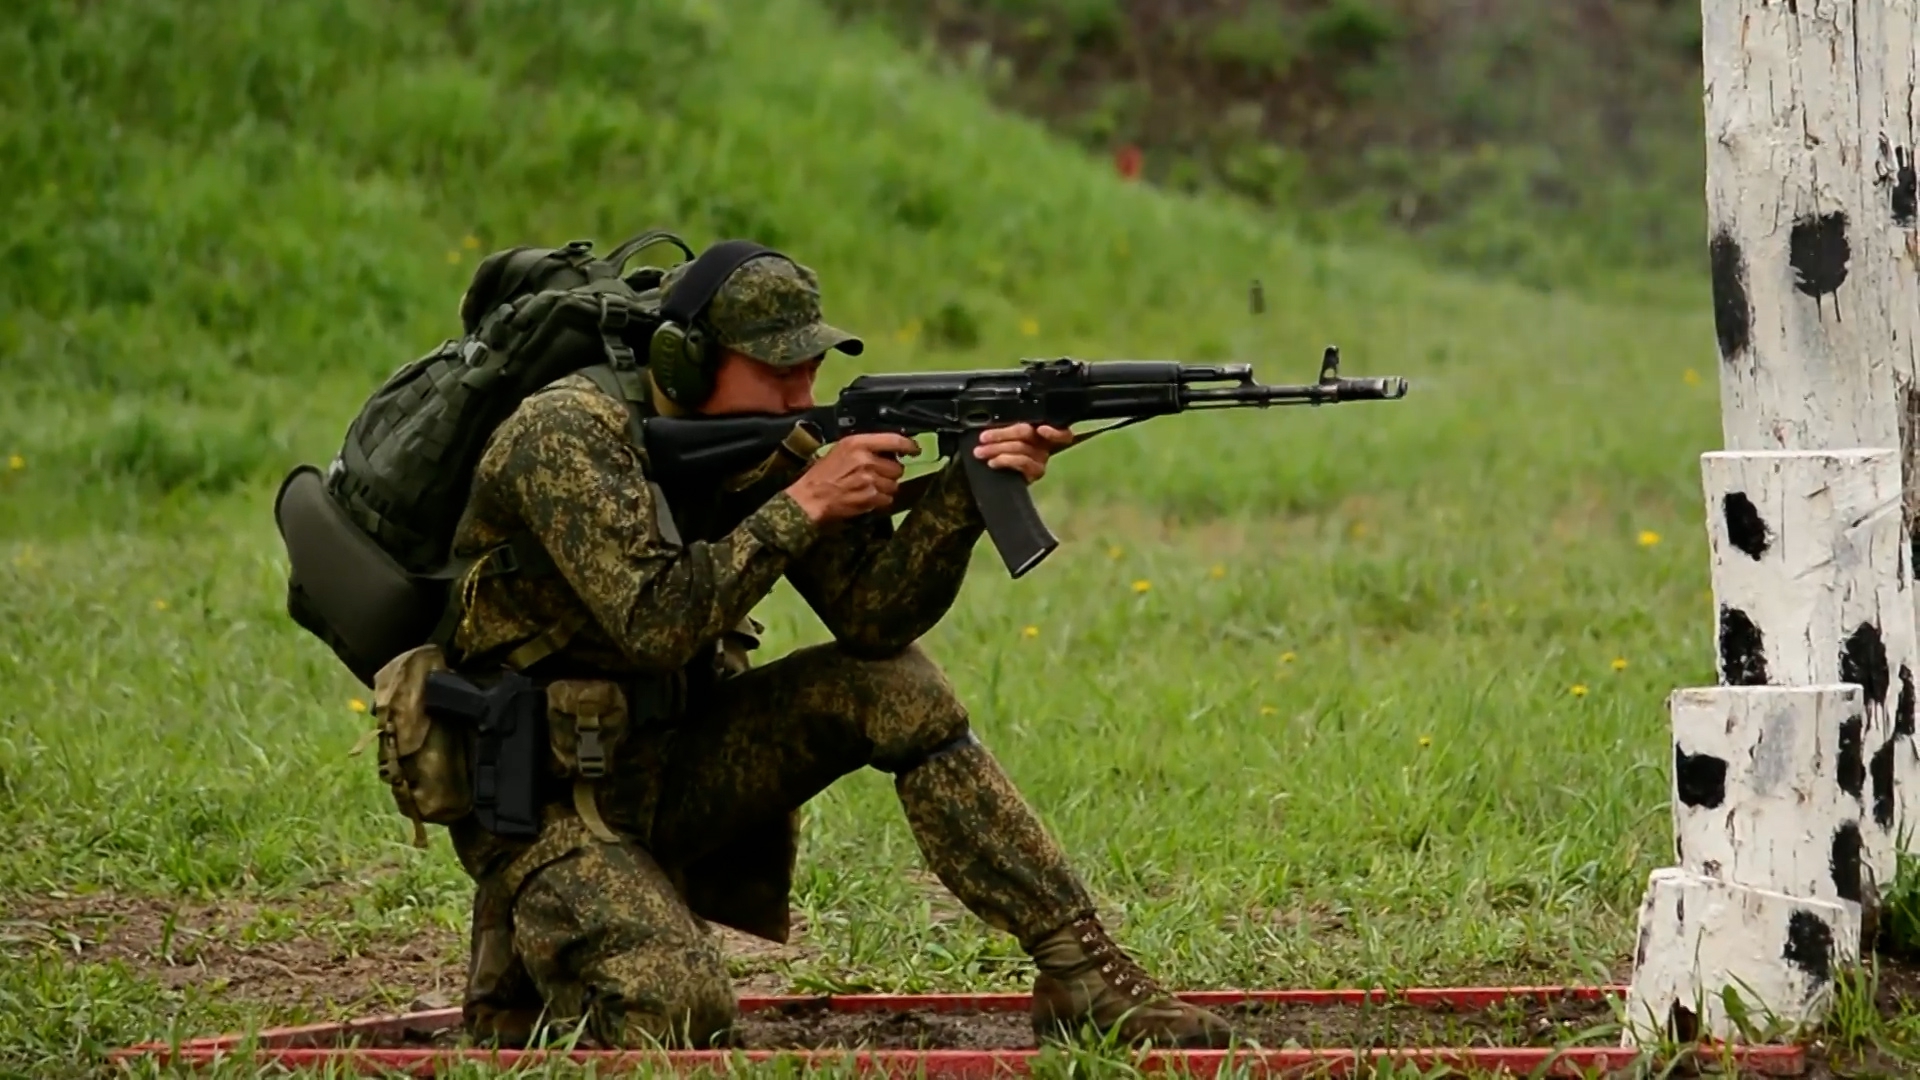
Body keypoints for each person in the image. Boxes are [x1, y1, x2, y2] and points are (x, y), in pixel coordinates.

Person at [437, 249, 1235, 1051]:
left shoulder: (744, 441)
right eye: (779, 376)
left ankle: (1082, 974)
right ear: (686, 358)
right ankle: (524, 950)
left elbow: (873, 619)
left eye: (810, 373)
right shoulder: (565, 435)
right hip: (544, 797)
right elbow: (655, 623)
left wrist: (966, 488)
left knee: (891, 685)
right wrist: (805, 501)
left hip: (669, 763)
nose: (801, 400)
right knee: (679, 1011)